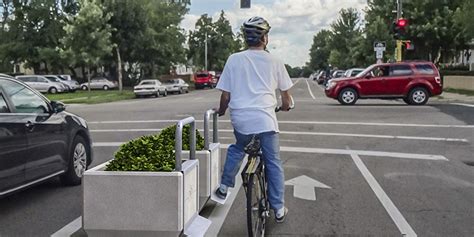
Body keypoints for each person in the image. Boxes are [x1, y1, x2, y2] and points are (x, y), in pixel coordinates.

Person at [214, 16, 293, 223]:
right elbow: (286, 97)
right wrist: (286, 106)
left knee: (238, 148)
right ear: (264, 38)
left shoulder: (234, 59)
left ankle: (223, 187)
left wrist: (222, 111)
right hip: (266, 121)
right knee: (273, 162)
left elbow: (225, 96)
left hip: (241, 120)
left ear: (246, 38)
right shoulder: (274, 60)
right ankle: (277, 208)